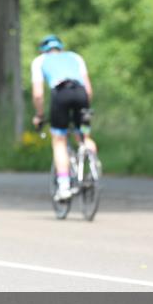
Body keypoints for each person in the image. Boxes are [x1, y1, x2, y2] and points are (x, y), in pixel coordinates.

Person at [30, 34, 97, 201]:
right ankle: (93, 168)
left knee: (59, 139)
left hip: (61, 94)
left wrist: (39, 115)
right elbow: (88, 89)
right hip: (81, 94)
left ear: (43, 49)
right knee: (84, 135)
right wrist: (85, 110)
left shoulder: (39, 61)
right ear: (61, 48)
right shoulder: (75, 57)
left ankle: (64, 186)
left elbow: (38, 95)